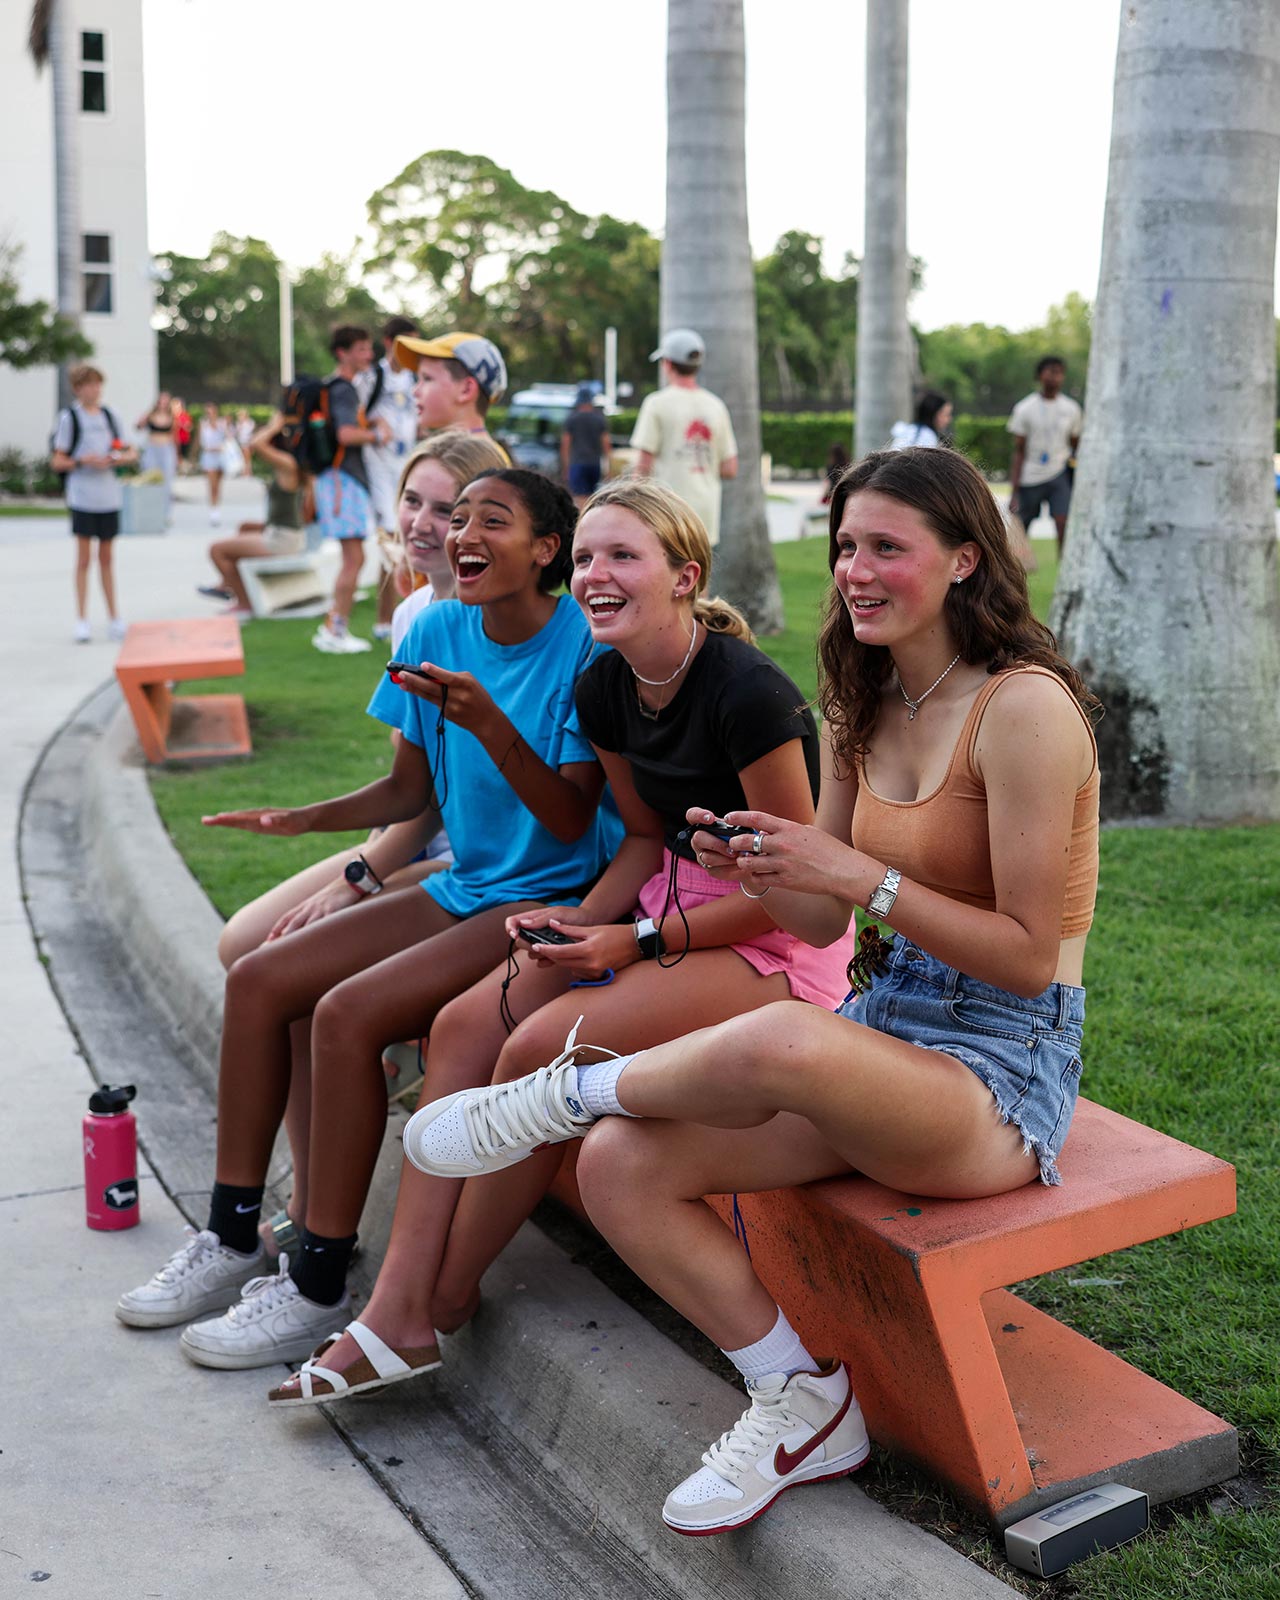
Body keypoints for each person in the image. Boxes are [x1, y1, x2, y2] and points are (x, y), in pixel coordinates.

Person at [406, 446, 1101, 1538]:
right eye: (842, 547)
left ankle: (571, 1088)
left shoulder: (1023, 710)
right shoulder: (863, 693)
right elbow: (820, 921)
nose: (853, 571)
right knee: (622, 1164)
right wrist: (767, 868)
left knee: (778, 1033)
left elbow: (1022, 953)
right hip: (882, 1033)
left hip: (999, 1071)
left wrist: (861, 876)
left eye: (885, 547)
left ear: (966, 559)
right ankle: (797, 1398)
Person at [268, 477, 857, 1407]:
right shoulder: (606, 681)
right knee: (467, 1026)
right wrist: (586, 920)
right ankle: (396, 1308)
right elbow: (638, 840)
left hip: (770, 946)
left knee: (545, 1044)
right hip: (654, 911)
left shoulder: (750, 697)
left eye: (623, 556)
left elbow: (802, 895)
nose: (596, 574)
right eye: (586, 556)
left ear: (682, 577)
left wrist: (633, 940)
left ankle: (439, 1302)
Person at [115, 469, 622, 1372]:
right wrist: (304, 820)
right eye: (455, 517)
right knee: (259, 977)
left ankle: (316, 1285)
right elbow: (408, 790)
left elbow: (573, 822)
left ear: (548, 549)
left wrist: (493, 723)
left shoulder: (583, 648)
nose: (462, 533)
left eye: (489, 521)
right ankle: (233, 1237)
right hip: (466, 881)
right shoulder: (434, 626)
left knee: (345, 1014)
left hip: (540, 895)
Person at [212, 430, 508, 1263]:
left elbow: (461, 814)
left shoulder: (528, 628)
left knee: (303, 981)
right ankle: (292, 1203)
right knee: (246, 943)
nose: (422, 523)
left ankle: (313, 1219)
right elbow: (409, 792)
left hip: (471, 860)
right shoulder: (415, 613)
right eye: (412, 500)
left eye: (446, 508)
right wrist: (353, 864)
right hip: (418, 835)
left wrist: (357, 876)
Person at [312, 324, 387, 655]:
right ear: (342, 353)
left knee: (354, 557)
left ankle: (334, 625)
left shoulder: (335, 388)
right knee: (354, 558)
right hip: (344, 479)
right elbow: (345, 434)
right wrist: (377, 435)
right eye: (360, 349)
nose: (368, 355)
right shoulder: (344, 389)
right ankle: (335, 630)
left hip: (339, 479)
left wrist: (368, 426)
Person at [51, 363, 138, 643]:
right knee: (84, 559)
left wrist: (118, 458)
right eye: (89, 384)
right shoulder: (69, 419)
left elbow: (128, 450)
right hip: (83, 496)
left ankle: (114, 617)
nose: (95, 389)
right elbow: (58, 460)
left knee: (107, 558)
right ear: (78, 389)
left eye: (98, 384)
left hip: (108, 495)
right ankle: (82, 619)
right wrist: (81, 461)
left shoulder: (110, 416)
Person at [198, 411, 311, 619]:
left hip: (283, 541)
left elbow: (255, 444)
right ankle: (226, 585)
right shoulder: (289, 464)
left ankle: (244, 603)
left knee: (217, 551)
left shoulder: (289, 465)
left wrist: (274, 425)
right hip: (283, 533)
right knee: (244, 527)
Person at [631, 328, 738, 545]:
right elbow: (730, 468)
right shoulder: (716, 406)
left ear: (668, 364)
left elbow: (643, 466)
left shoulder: (656, 403)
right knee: (699, 574)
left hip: (666, 511)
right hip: (705, 514)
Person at [367, 316, 422, 642]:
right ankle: (384, 620)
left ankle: (403, 616)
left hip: (408, 469)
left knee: (407, 546)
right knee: (391, 544)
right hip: (379, 470)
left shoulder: (415, 378)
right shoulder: (373, 377)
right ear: (389, 342)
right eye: (406, 344)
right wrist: (373, 431)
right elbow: (353, 415)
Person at [1007, 356, 1084, 556]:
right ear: (1040, 375)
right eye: (1050, 371)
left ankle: (1064, 569)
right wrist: (1014, 491)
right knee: (1021, 527)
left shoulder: (1071, 409)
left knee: (1063, 522)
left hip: (1059, 473)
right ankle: (1013, 572)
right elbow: (1019, 451)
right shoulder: (1025, 408)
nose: (1054, 377)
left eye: (1059, 372)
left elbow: (1076, 444)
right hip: (1030, 475)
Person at [392, 329, 510, 456]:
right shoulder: (484, 456)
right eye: (418, 379)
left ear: (466, 390)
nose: (415, 391)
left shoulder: (461, 462)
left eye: (427, 378)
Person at [560, 386, 611, 506]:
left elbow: (565, 445)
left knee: (579, 499)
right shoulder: (599, 419)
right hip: (594, 464)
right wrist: (609, 467)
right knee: (593, 498)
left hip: (577, 463)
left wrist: (566, 467)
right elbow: (606, 444)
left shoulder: (572, 418)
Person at [136, 391, 177, 524]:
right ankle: (149, 511)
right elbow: (138, 426)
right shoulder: (151, 415)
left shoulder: (171, 417)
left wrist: (178, 455)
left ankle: (166, 513)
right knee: (150, 479)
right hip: (152, 449)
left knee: (167, 482)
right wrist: (144, 419)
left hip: (166, 449)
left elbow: (174, 436)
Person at [198, 403, 229, 526]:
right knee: (212, 485)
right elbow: (201, 442)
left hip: (221, 457)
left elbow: (228, 438)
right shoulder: (203, 424)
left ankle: (217, 507)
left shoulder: (222, 424)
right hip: (209, 457)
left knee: (218, 485)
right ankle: (213, 511)